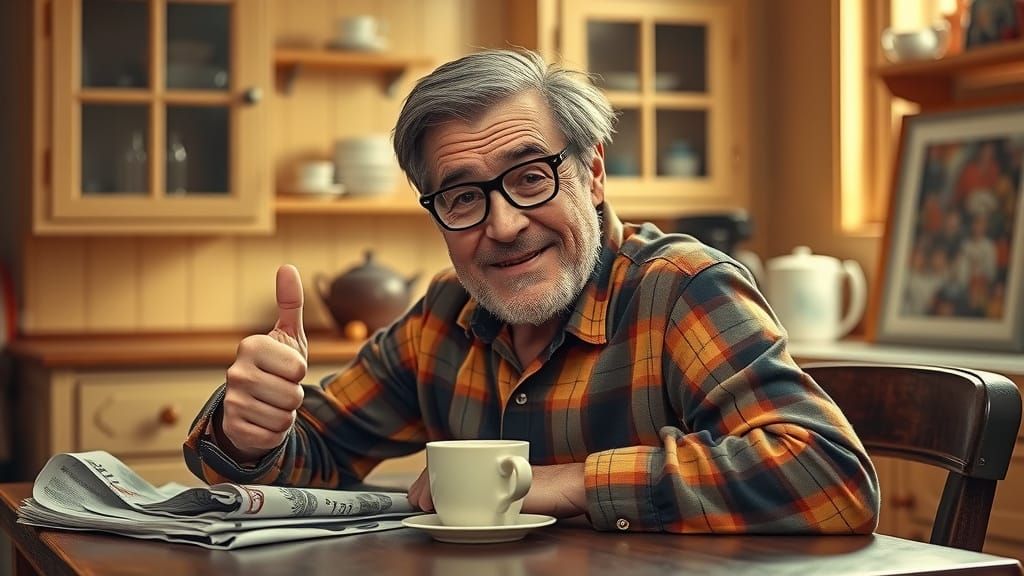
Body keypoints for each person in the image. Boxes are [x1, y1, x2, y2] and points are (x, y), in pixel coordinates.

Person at [183, 49, 880, 534]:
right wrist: (250, 436)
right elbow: (318, 459)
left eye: (530, 177)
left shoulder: (682, 290)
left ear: (594, 174)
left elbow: (831, 476)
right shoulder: (443, 318)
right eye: (462, 197)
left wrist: (566, 482)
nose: (505, 225)